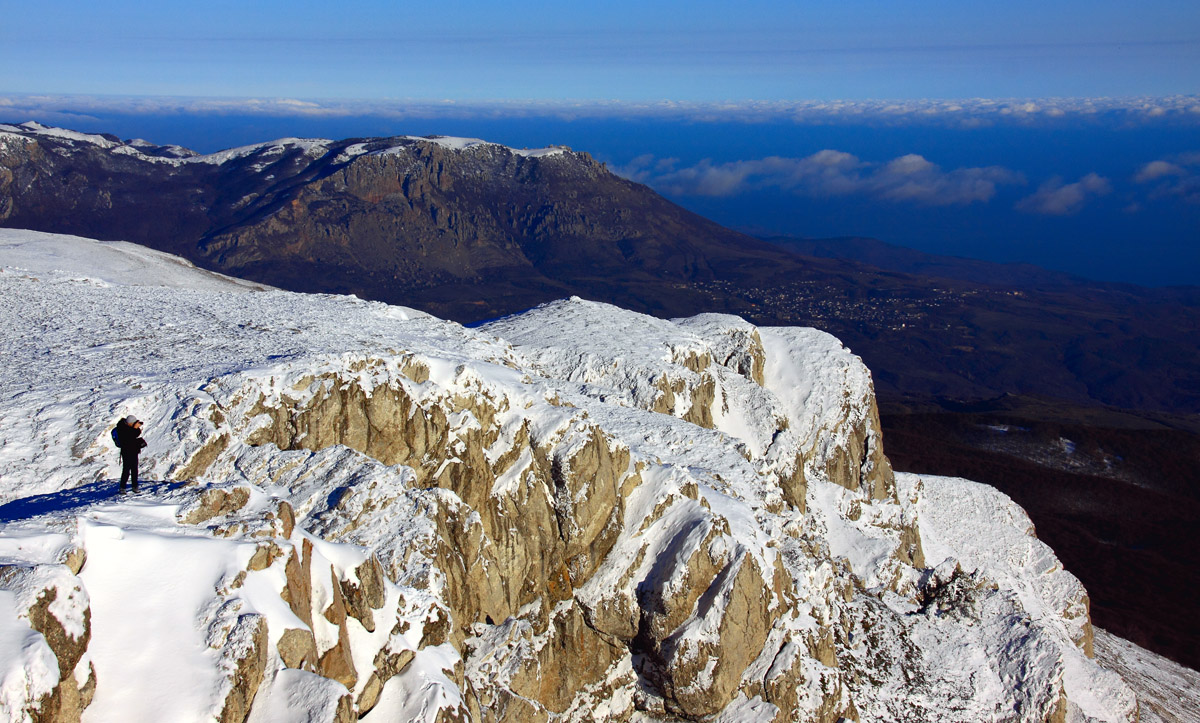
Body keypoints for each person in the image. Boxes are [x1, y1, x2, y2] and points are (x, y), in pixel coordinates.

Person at [114, 415, 147, 493]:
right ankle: (123, 487)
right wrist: (135, 428)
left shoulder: (128, 427)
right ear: (130, 423)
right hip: (127, 452)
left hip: (133, 450)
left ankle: (134, 486)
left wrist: (135, 428)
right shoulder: (122, 428)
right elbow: (131, 436)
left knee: (134, 469)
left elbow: (135, 434)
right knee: (126, 470)